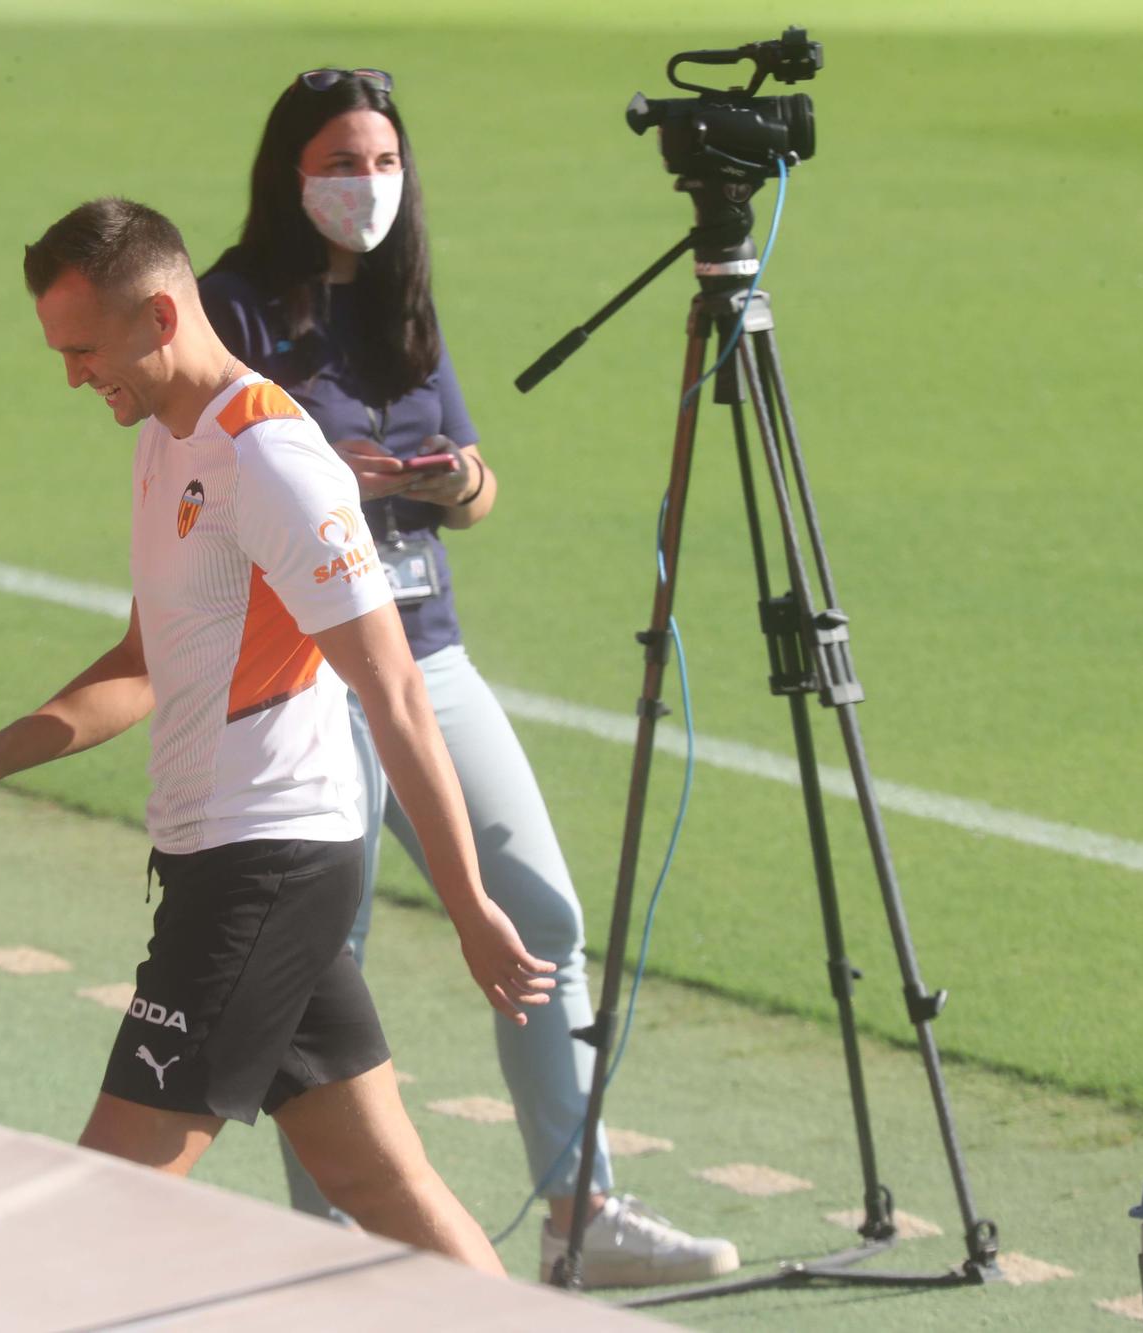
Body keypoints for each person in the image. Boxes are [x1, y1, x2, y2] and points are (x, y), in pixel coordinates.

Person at [0, 196, 556, 1276]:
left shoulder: (271, 464)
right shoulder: (166, 442)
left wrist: (467, 904)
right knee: (378, 1183)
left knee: (101, 1196)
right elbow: (141, 663)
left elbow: (392, 689)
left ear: (159, 316)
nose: (72, 376)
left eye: (82, 349)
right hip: (231, 860)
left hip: (262, 870)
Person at [198, 68, 741, 1288]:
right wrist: (325, 474)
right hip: (306, 670)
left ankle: (577, 1213)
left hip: (427, 652)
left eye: (384, 162)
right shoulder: (232, 308)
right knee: (321, 956)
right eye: (341, 163)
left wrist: (448, 483)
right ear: (292, 173)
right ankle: (321, 1246)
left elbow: (481, 483)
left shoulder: (400, 304)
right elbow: (197, 487)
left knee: (540, 914)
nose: (367, 186)